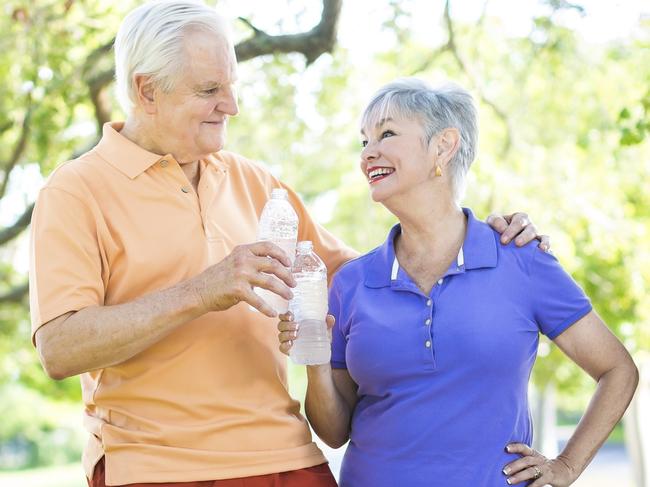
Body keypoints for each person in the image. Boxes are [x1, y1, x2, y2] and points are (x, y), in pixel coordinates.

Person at [29, 2, 545, 486]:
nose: (230, 105)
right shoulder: (76, 191)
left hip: (288, 457)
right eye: (209, 90)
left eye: (231, 85)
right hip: (159, 463)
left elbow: (362, 275)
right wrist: (204, 290)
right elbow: (60, 347)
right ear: (147, 92)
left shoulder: (256, 182)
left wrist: (476, 238)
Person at [278, 78, 639, 487]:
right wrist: (316, 359)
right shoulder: (352, 283)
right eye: (363, 142)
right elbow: (334, 430)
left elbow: (617, 369)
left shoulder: (520, 260)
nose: (367, 153)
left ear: (444, 146)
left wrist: (567, 466)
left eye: (387, 134)